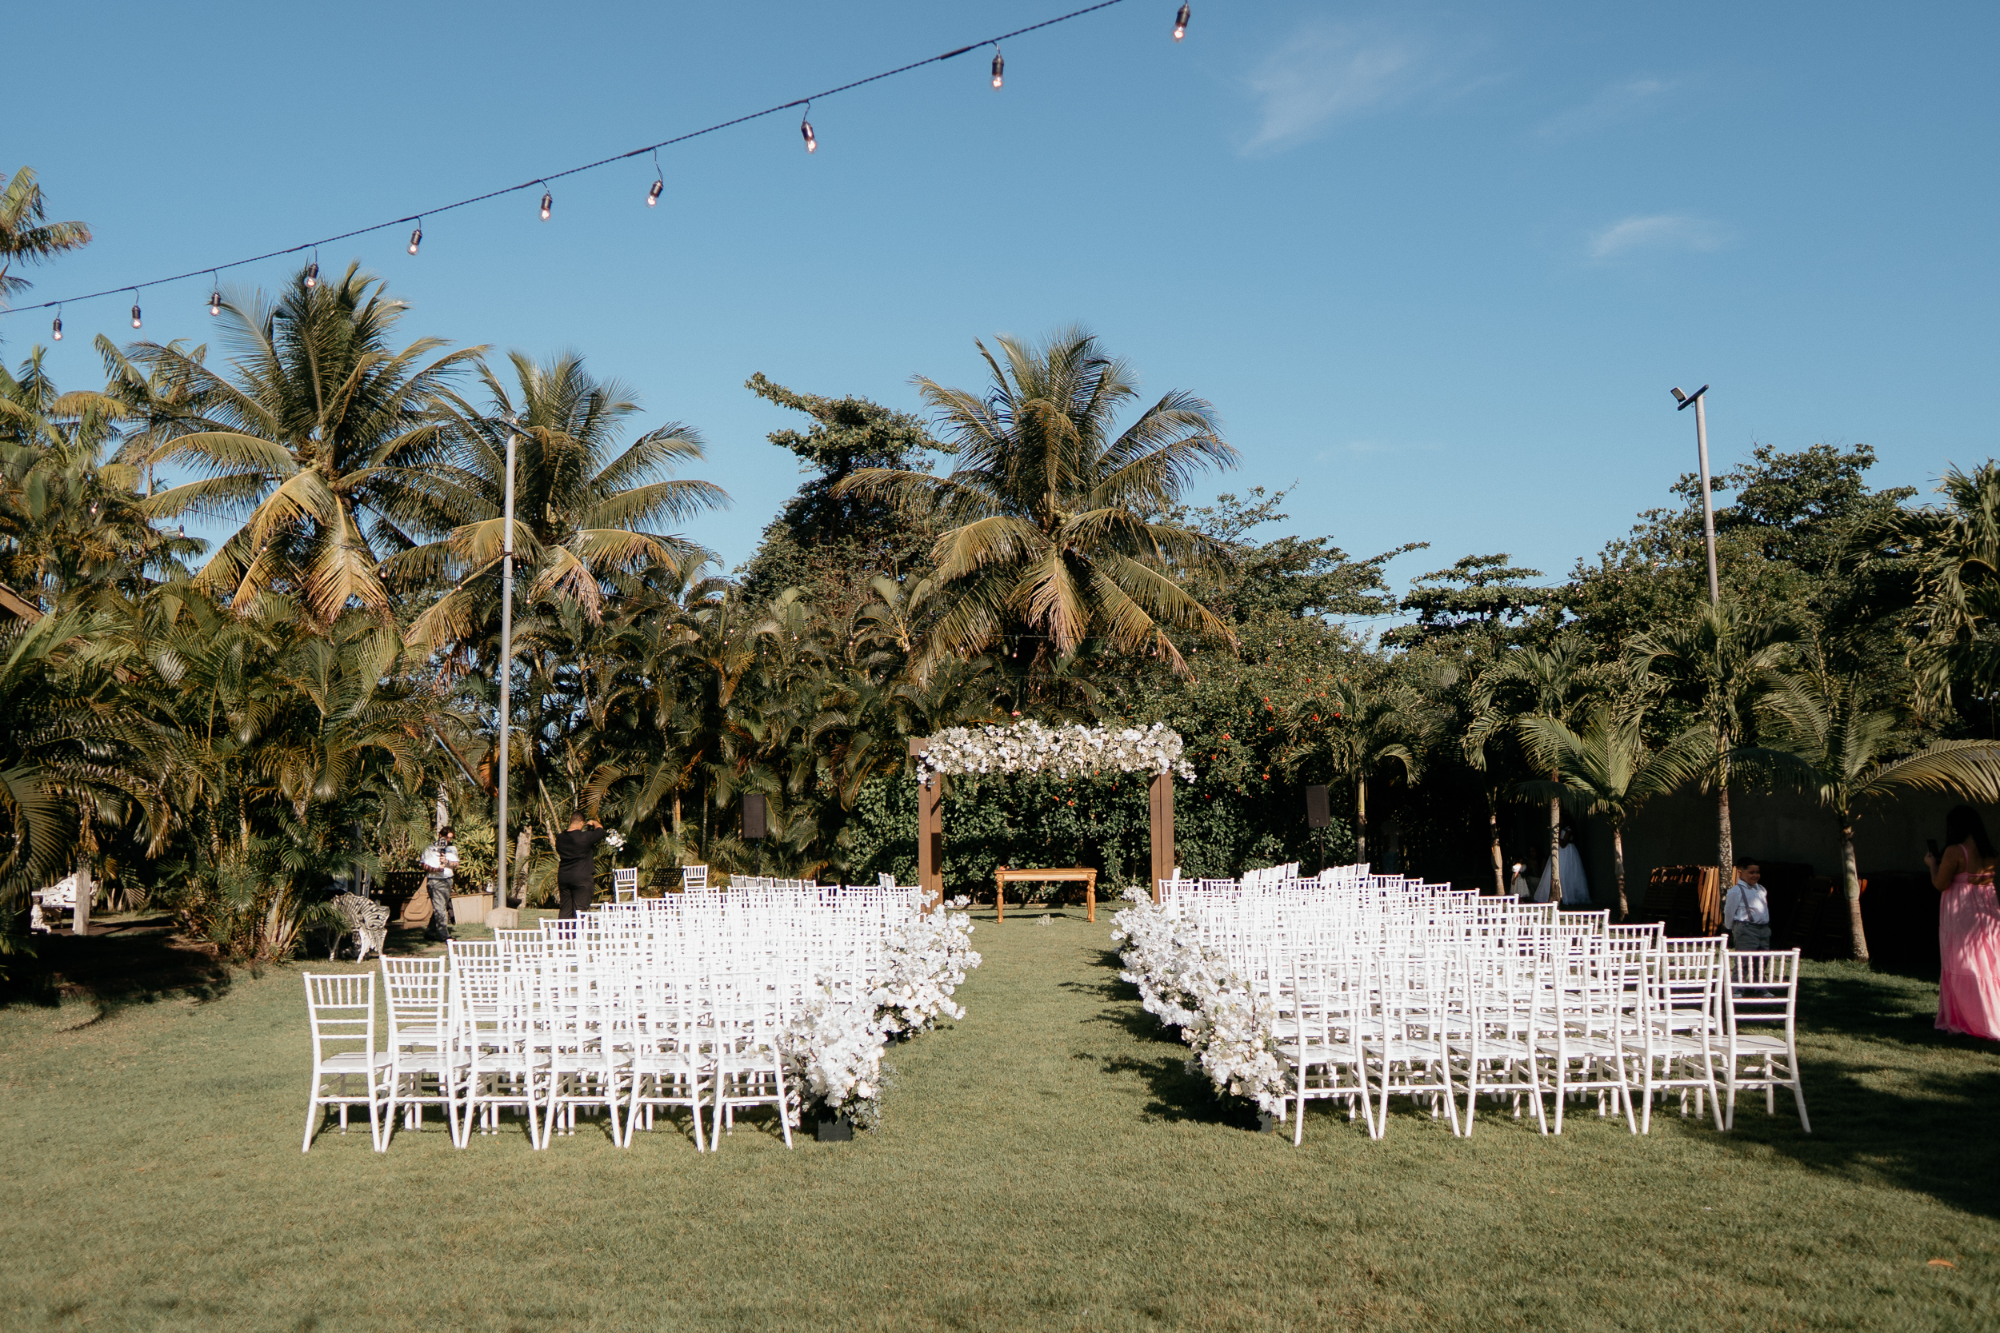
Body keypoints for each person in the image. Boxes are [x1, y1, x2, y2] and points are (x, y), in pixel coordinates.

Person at [1925, 804, 2000, 1041]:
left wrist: (1931, 865)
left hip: (1961, 912)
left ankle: (1971, 1017)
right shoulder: (1989, 851)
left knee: (1963, 964)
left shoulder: (1955, 851)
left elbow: (1940, 884)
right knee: (1988, 963)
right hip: (1988, 909)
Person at [555, 813, 610, 920]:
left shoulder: (560, 838)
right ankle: (578, 935)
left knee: (565, 909)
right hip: (581, 877)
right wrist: (594, 822)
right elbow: (600, 831)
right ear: (581, 823)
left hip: (564, 876)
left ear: (570, 821)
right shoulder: (584, 837)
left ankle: (562, 935)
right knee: (580, 910)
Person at [419, 827, 460, 942]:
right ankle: (444, 936)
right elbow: (423, 865)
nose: (448, 840)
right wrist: (437, 869)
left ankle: (430, 932)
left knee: (440, 906)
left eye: (450, 838)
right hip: (435, 881)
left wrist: (447, 862)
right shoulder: (429, 849)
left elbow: (456, 864)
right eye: (446, 837)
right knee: (440, 908)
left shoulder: (452, 848)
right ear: (440, 835)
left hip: (447, 880)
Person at [1722, 857, 1770, 952]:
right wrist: (1729, 928)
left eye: (1757, 872)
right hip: (1746, 928)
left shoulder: (1761, 889)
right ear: (1740, 873)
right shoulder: (1736, 891)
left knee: (1763, 960)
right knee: (1746, 959)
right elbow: (1729, 911)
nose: (1755, 875)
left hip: (1764, 929)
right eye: (1751, 873)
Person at [1535, 825, 1591, 906]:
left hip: (1567, 852)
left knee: (1567, 873)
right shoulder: (1560, 828)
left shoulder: (1568, 829)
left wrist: (1556, 834)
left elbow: (1563, 844)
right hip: (1559, 852)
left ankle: (1568, 897)